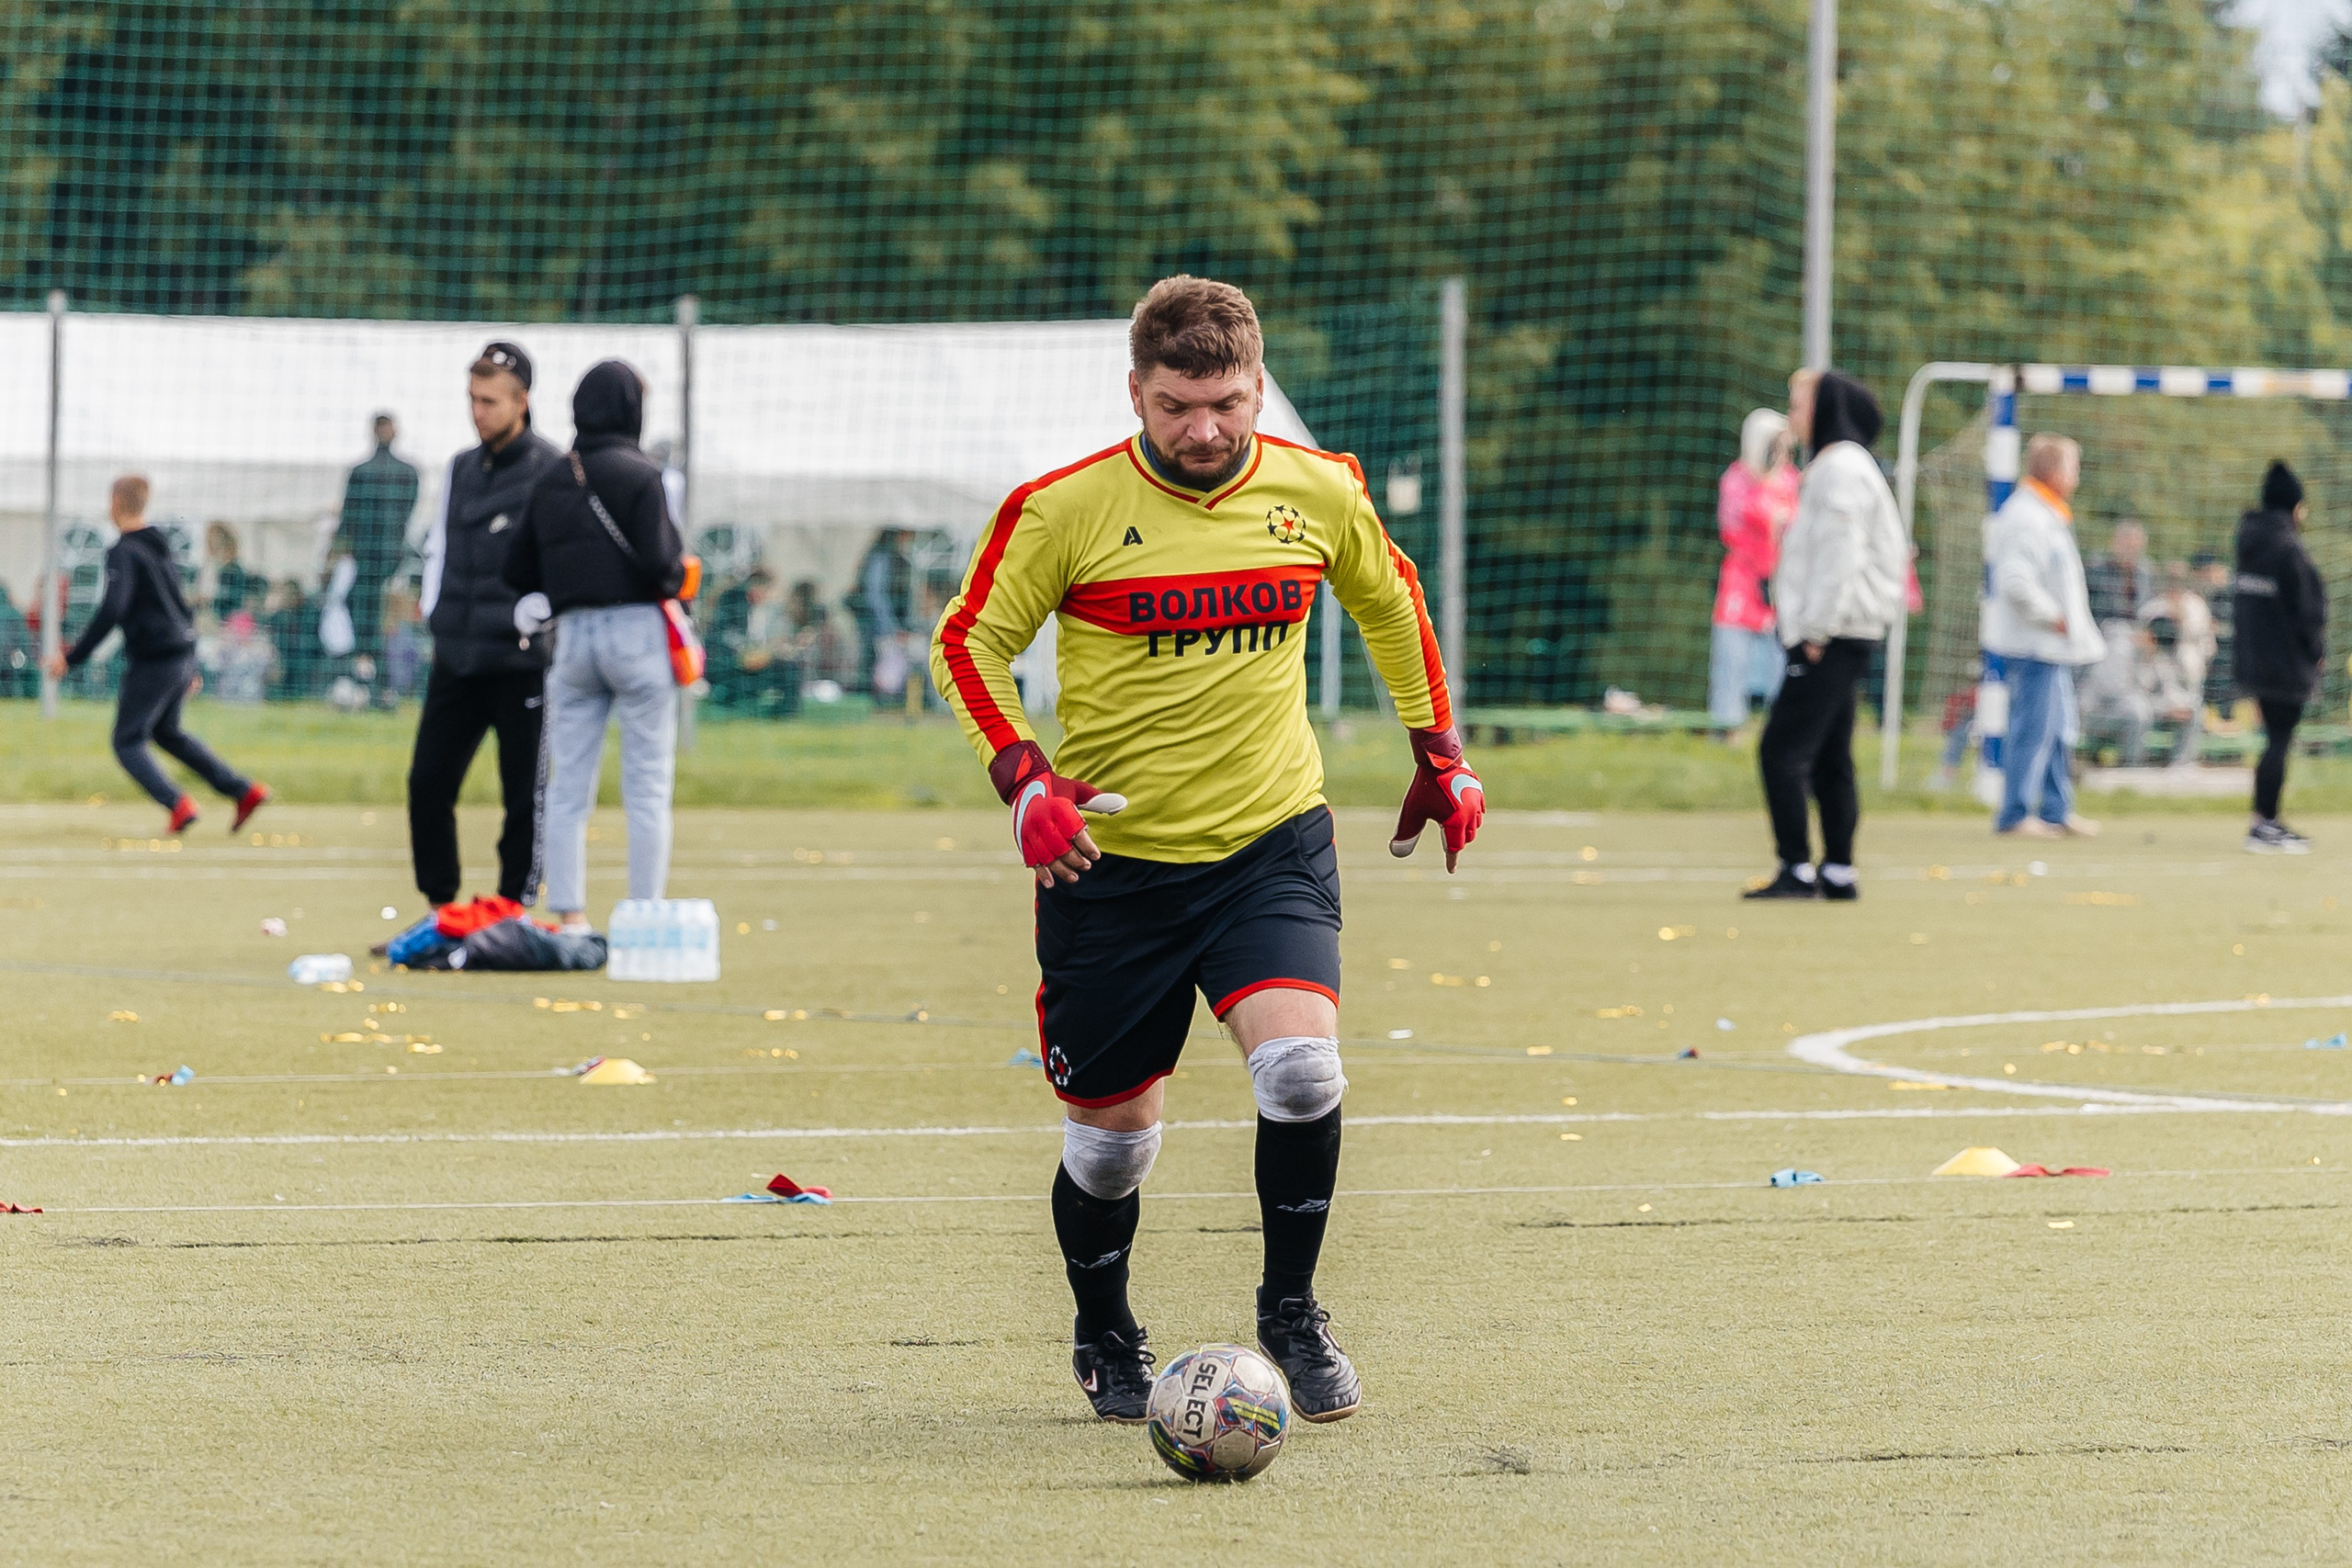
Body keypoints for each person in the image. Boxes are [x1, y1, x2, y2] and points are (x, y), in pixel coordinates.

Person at [931, 274, 1484, 1426]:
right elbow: (969, 642)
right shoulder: (1062, 510)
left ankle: (1291, 1312)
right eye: (1176, 406)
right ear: (1135, 391)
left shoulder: (1318, 490)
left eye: (1227, 403)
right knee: (1110, 1152)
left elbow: (1391, 602)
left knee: (1302, 1072)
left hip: (1267, 845)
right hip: (1110, 870)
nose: (1203, 430)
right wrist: (1023, 778)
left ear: (1257, 388)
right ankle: (1104, 1328)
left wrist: (1437, 752)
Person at [503, 360, 688, 932]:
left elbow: (516, 568)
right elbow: (664, 567)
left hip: (573, 638)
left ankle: (572, 917)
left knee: (567, 787)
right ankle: (643, 914)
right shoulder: (643, 474)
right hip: (636, 635)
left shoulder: (553, 477)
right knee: (647, 784)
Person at [403, 342, 563, 931]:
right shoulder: (460, 467)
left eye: (490, 401)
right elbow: (440, 546)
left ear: (522, 401)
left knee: (523, 793)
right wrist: (434, 612)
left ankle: (512, 912)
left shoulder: (552, 469)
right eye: (472, 399)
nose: (478, 412)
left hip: (520, 660)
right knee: (428, 782)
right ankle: (441, 912)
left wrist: (535, 614)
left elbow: (563, 559)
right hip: (458, 654)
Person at [1745, 369, 1907, 901]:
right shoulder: (1842, 467)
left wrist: (1814, 630)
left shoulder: (1840, 470)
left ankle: (1796, 867)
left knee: (1781, 750)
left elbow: (1841, 556)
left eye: (1797, 405)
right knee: (1832, 754)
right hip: (1842, 630)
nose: (1791, 416)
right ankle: (1838, 870)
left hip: (1833, 634)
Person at [42, 476, 269, 834]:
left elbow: (113, 608)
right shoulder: (160, 547)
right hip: (180, 654)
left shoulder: (124, 551)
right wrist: (191, 663)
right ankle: (242, 790)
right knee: (167, 732)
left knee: (127, 740)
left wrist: (71, 657)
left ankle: (178, 804)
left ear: (116, 502)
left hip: (155, 659)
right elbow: (181, 606)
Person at [1982, 434, 2105, 839]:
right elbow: (2015, 581)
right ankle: (2015, 813)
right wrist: (2054, 618)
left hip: (2053, 649)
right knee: (2032, 731)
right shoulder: (2026, 516)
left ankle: (2056, 810)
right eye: (2073, 468)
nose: (2077, 478)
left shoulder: (2048, 513)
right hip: (2035, 645)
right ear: (2054, 472)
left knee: (2058, 731)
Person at [2233, 460, 2325, 852]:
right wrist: (2316, 652)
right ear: (2294, 506)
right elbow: (2309, 611)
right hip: (2285, 665)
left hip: (2253, 660)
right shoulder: (2289, 550)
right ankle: (2265, 823)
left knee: (2273, 739)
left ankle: (2265, 819)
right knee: (2278, 741)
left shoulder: (2248, 544)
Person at [1709, 409, 1799, 732]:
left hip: (1780, 579)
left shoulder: (1791, 480)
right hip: (1744, 578)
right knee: (1732, 654)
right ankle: (1726, 725)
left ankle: (1780, 726)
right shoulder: (1736, 480)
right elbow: (1735, 526)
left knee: (1782, 656)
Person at [337, 413, 419, 702]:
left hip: (379, 558)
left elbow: (349, 515)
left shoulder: (369, 472)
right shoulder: (403, 472)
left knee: (370, 615)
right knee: (369, 613)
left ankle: (376, 678)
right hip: (384, 556)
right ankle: (377, 681)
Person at [855, 527, 913, 698]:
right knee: (874, 665)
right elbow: (875, 596)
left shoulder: (891, 558)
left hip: (882, 625)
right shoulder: (881, 558)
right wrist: (891, 628)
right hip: (876, 626)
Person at [2085, 518, 2154, 626]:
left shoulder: (2145, 575)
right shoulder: (2096, 572)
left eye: (2135, 547)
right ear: (2114, 542)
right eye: (2127, 545)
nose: (2131, 551)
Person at [204, 523, 261, 624]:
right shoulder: (215, 567)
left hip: (225, 623)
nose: (210, 546)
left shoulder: (233, 571)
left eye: (215, 543)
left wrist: (209, 600)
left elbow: (232, 602)